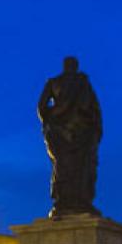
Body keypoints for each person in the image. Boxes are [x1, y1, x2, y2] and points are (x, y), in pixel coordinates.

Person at [37, 56, 103, 218]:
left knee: (64, 166)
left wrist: (50, 121)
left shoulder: (54, 83)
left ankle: (66, 201)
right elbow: (95, 110)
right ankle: (75, 201)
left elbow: (41, 107)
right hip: (80, 132)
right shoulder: (83, 84)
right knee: (80, 167)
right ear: (75, 66)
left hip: (63, 133)